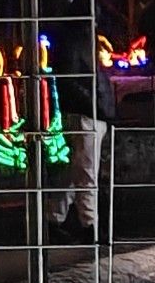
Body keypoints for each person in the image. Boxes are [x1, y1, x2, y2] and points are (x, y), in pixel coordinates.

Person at [42, 30, 108, 242]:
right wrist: (96, 104)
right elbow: (73, 83)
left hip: (88, 113)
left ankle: (55, 218)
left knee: (76, 171)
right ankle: (89, 225)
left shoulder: (75, 41)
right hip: (88, 114)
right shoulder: (78, 42)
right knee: (86, 172)